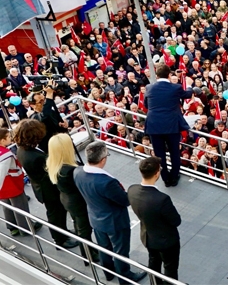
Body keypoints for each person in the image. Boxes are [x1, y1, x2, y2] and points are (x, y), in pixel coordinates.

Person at [74, 141, 146, 283]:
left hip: (95, 218)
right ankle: (125, 277)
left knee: (104, 248)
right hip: (115, 222)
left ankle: (108, 272)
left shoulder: (77, 172)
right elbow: (124, 200)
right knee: (120, 251)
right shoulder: (106, 182)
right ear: (103, 159)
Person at [14, 119, 77, 248]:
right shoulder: (36, 156)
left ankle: (62, 233)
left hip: (41, 187)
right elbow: (49, 173)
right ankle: (60, 240)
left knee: (57, 213)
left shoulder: (22, 149)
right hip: (49, 190)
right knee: (56, 214)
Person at [46, 134, 98, 264]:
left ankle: (88, 252)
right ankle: (88, 256)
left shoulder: (53, 163)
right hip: (78, 202)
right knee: (84, 229)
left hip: (67, 199)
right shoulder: (70, 170)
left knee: (79, 225)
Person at [127, 157, 182, 282]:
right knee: (170, 269)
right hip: (167, 241)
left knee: (153, 263)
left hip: (147, 237)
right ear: (157, 173)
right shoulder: (162, 199)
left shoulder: (132, 190)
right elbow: (176, 221)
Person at [144, 64, 193, 187]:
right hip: (171, 125)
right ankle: (174, 177)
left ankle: (165, 179)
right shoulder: (175, 88)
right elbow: (187, 95)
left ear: (157, 75)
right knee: (174, 152)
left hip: (154, 125)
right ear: (169, 75)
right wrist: (189, 84)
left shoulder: (149, 87)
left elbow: (146, 105)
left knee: (159, 154)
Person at [0, 128, 40, 236]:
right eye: (8, 137)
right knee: (20, 206)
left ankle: (12, 227)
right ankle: (25, 228)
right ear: (2, 140)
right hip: (12, 184)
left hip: (4, 187)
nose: (11, 139)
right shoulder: (5, 155)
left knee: (7, 206)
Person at [27, 82, 68, 153]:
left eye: (44, 101)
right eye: (40, 102)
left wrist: (63, 125)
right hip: (51, 149)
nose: (44, 104)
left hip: (61, 143)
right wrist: (49, 95)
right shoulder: (34, 118)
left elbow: (55, 124)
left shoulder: (51, 111)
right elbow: (44, 116)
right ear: (32, 105)